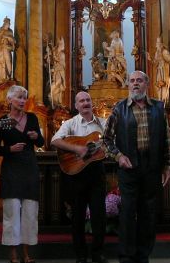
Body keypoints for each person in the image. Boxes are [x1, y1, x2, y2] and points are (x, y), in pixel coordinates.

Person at [103, 70, 170, 263]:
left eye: (139, 80)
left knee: (148, 213)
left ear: (147, 84)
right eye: (132, 81)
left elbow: (167, 139)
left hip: (152, 167)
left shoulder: (159, 108)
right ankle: (126, 255)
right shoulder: (119, 109)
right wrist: (118, 156)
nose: (135, 84)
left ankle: (143, 255)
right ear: (128, 85)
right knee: (127, 212)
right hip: (128, 168)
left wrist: (168, 166)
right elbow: (106, 140)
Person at [51, 91, 108, 263]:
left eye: (88, 100)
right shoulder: (70, 123)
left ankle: (97, 254)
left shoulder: (103, 123)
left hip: (97, 173)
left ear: (92, 103)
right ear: (76, 106)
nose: (85, 103)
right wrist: (78, 149)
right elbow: (55, 140)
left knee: (99, 216)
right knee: (78, 217)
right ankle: (81, 255)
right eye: (81, 101)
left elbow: (110, 143)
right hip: (76, 173)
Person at [0, 85, 44, 263]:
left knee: (30, 214)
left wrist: (35, 137)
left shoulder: (32, 117)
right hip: (11, 170)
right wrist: (9, 149)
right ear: (9, 100)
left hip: (29, 168)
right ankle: (13, 255)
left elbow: (41, 141)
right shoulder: (1, 121)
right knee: (12, 213)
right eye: (19, 97)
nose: (22, 101)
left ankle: (27, 254)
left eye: (24, 98)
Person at [149, 36, 170, 104]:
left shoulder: (164, 51)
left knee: (164, 85)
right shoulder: (157, 52)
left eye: (159, 42)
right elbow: (155, 62)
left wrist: (166, 61)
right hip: (159, 71)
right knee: (159, 85)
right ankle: (160, 99)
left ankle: (165, 100)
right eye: (157, 42)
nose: (157, 44)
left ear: (162, 44)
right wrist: (150, 59)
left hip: (164, 71)